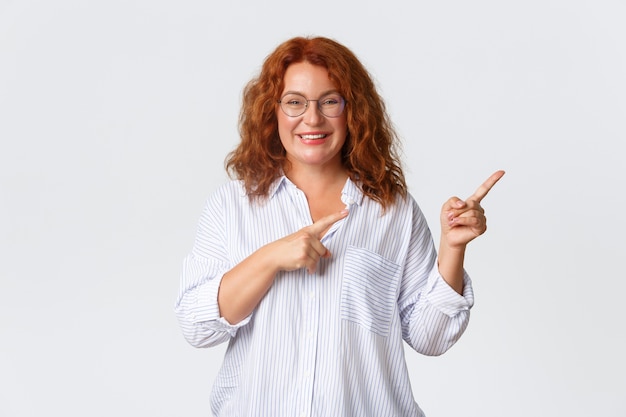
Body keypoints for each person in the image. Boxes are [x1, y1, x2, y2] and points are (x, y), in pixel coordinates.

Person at [175, 36, 504, 417]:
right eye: (295, 102)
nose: (312, 118)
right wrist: (269, 259)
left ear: (353, 111)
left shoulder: (392, 210)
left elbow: (429, 338)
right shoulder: (232, 206)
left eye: (330, 101)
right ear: (273, 112)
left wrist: (452, 247)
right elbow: (197, 327)